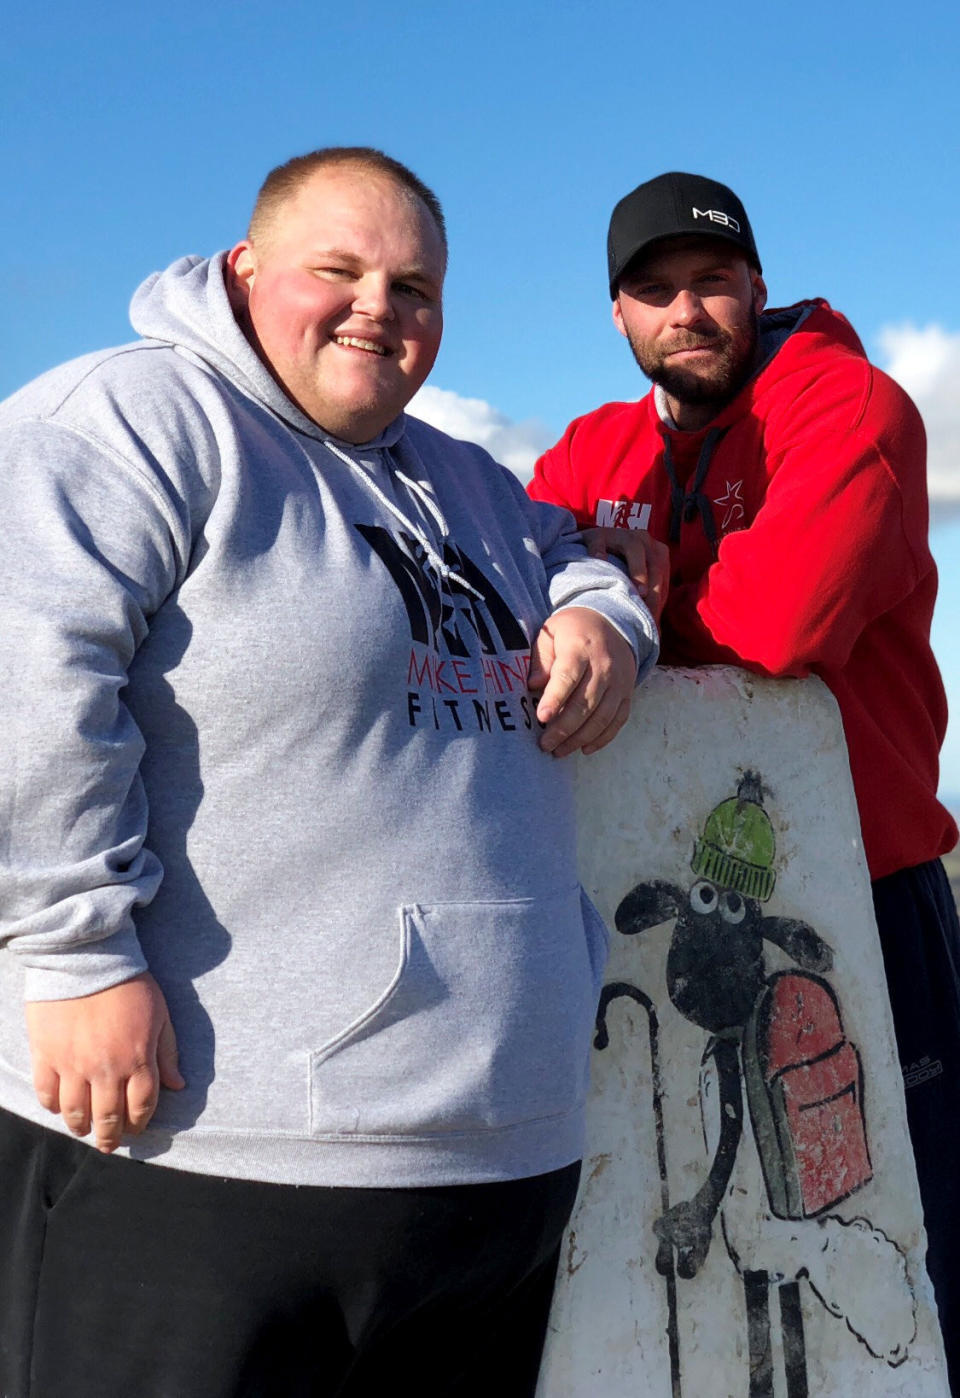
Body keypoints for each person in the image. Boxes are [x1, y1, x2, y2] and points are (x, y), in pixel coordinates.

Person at [0, 147, 658, 1398]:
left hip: (491, 1173)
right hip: (205, 1164)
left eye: (414, 286)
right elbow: (22, 671)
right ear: (246, 271)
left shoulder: (458, 475)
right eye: (339, 270)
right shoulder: (130, 422)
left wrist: (600, 615)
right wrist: (75, 952)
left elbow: (573, 544)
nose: (381, 308)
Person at [529, 169, 960, 1387]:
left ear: (756, 286)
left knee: (894, 1221)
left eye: (712, 282)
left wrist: (621, 600)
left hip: (859, 898)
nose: (687, 312)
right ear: (619, 315)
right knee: (671, 1222)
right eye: (654, 291)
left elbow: (786, 619)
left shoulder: (851, 405)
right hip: (643, 902)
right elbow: (506, 602)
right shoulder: (590, 449)